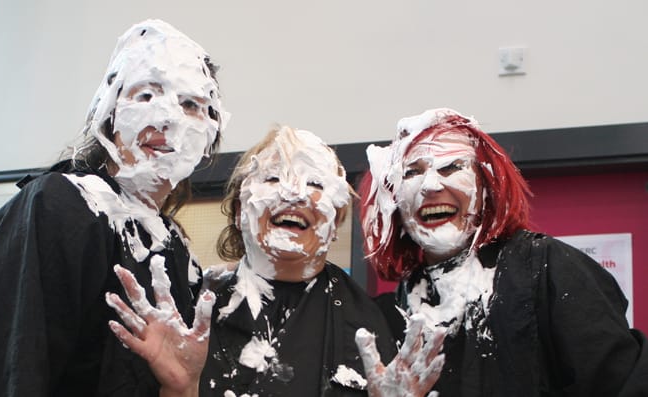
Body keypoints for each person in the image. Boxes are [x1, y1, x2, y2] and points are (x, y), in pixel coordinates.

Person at [0, 19, 227, 397]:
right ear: (109, 113)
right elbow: (10, 369)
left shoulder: (172, 248)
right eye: (146, 96)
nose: (165, 116)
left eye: (190, 104)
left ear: (210, 132)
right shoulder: (64, 205)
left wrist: (183, 389)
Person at [107, 126, 445, 396]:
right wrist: (179, 390)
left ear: (336, 219)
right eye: (272, 179)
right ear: (241, 210)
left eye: (314, 183)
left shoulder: (377, 324)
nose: (293, 193)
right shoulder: (192, 309)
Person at [358, 108, 648, 396]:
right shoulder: (390, 314)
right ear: (391, 201)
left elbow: (621, 382)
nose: (430, 186)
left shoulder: (548, 271)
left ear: (487, 186)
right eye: (412, 173)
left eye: (450, 167)